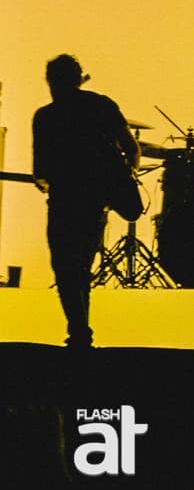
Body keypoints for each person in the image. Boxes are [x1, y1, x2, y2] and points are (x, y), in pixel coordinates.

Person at [31, 54, 140, 349]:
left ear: (49, 81)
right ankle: (80, 332)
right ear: (79, 78)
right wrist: (124, 178)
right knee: (81, 267)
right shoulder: (101, 105)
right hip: (94, 200)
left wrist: (48, 183)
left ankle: (79, 331)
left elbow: (40, 172)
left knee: (65, 268)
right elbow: (132, 148)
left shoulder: (45, 117)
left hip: (64, 201)